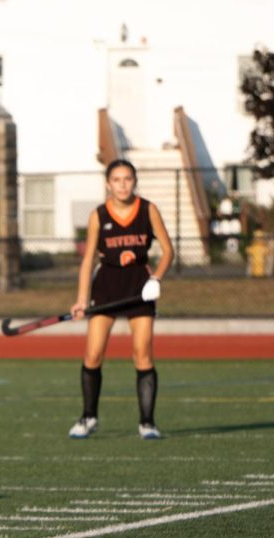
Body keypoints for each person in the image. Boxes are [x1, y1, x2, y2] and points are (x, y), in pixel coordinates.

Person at [68, 158, 173, 441]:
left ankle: (147, 423)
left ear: (134, 181)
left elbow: (167, 251)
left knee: (142, 354)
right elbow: (88, 259)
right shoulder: (98, 215)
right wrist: (81, 299)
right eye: (117, 180)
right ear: (108, 184)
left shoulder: (148, 210)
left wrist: (156, 279)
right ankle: (88, 417)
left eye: (127, 179)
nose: (123, 184)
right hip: (107, 286)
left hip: (139, 286)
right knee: (93, 354)